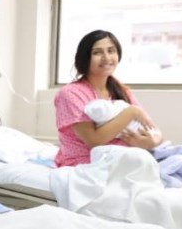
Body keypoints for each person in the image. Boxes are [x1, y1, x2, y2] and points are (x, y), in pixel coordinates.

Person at [53, 29, 163, 167]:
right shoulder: (70, 94)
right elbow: (94, 141)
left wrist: (151, 141)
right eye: (97, 52)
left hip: (124, 159)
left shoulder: (121, 90)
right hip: (87, 163)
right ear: (84, 57)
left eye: (111, 51)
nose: (106, 58)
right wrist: (131, 112)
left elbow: (155, 131)